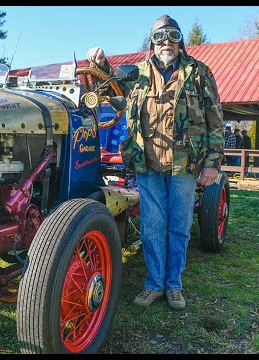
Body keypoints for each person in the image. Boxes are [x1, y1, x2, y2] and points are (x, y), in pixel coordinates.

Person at [87, 14, 224, 311]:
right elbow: (117, 96)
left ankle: (173, 285)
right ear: (152, 43)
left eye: (173, 36)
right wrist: (102, 67)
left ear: (180, 42)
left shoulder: (199, 73)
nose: (167, 43)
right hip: (147, 164)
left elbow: (215, 120)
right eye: (160, 37)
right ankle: (153, 284)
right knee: (151, 226)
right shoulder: (137, 74)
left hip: (184, 165)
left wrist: (211, 163)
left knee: (179, 226)